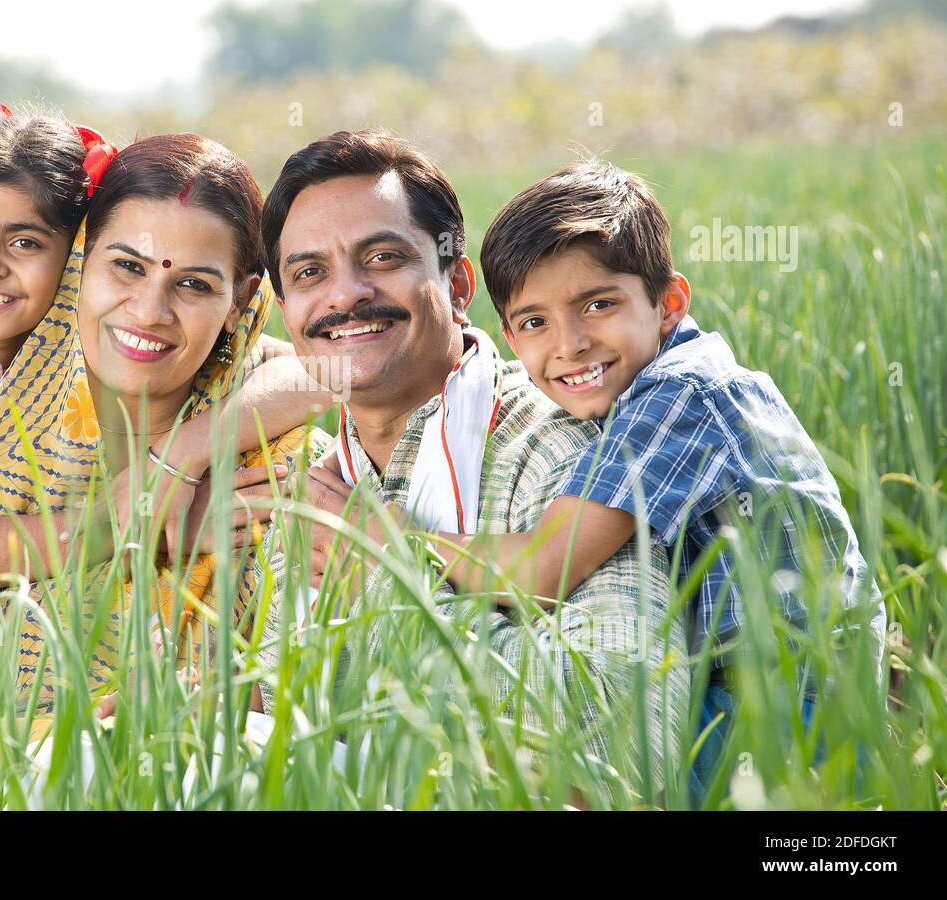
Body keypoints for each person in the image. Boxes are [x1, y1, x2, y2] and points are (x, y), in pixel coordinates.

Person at [0, 120, 331, 808]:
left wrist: (177, 457)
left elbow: (334, 369)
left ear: (242, 301)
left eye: (195, 285)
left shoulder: (278, 464)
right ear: (83, 268)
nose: (149, 310)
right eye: (127, 266)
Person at [253, 130, 687, 798]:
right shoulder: (317, 478)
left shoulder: (570, 448)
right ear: (286, 313)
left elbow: (624, 746)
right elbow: (280, 697)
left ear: (457, 286)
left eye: (383, 256)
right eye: (310, 273)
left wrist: (387, 578)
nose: (344, 295)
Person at [472, 160, 885, 800]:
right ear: (509, 335)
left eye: (598, 305)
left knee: (573, 778)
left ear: (668, 304)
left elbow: (541, 570)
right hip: (773, 694)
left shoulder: (679, 394)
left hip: (787, 715)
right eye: (535, 323)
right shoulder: (657, 385)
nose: (570, 343)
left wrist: (393, 540)